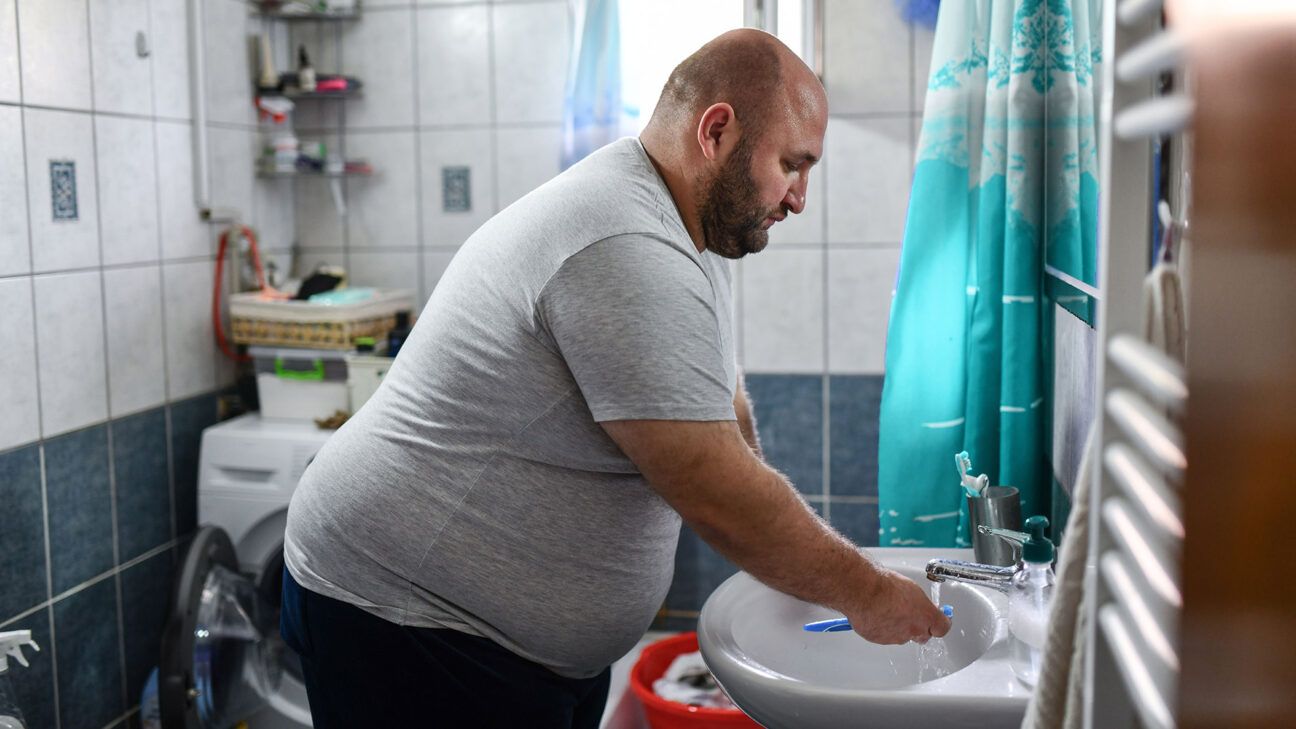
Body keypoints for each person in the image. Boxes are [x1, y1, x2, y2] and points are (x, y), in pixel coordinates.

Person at [280, 28, 950, 728]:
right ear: (716, 131)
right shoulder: (622, 243)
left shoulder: (685, 231)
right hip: (411, 619)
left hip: (513, 645)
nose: (799, 198)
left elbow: (724, 416)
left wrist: (803, 563)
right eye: (792, 164)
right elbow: (716, 492)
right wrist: (866, 592)